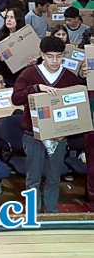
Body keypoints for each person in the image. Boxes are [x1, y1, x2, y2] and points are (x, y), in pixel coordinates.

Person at [13, 36, 86, 213]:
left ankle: (51, 212)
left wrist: (67, 132)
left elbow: (78, 107)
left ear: (64, 56)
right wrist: (37, 88)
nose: (55, 61)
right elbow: (16, 98)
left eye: (59, 56)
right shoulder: (29, 73)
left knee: (54, 177)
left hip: (59, 137)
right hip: (33, 136)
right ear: (42, 55)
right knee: (33, 177)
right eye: (50, 56)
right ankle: (33, 212)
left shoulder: (69, 77)